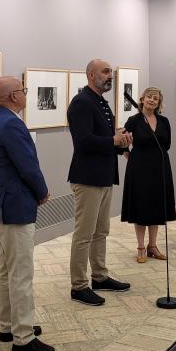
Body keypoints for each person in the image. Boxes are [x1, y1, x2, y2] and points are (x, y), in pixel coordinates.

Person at [0, 76, 55, 351]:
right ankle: (23, 337)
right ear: (13, 96)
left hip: (3, 206)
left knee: (7, 269)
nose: (26, 94)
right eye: (24, 90)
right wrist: (43, 191)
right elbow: (27, 166)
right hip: (15, 207)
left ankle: (7, 326)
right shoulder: (12, 124)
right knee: (21, 273)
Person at [67, 58, 132, 306]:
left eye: (111, 72)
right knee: (84, 234)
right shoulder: (82, 103)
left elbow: (104, 138)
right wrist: (114, 141)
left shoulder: (100, 102)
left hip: (104, 174)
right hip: (87, 176)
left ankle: (99, 276)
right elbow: (84, 142)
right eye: (105, 72)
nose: (110, 76)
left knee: (101, 231)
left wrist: (121, 141)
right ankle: (78, 286)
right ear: (91, 75)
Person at [121, 87, 176, 263]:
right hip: (139, 168)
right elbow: (122, 143)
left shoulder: (164, 121)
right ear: (142, 99)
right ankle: (140, 247)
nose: (152, 100)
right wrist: (130, 156)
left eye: (156, 98)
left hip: (160, 167)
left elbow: (166, 144)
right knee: (141, 206)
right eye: (149, 97)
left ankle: (153, 246)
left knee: (156, 205)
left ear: (159, 102)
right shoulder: (134, 120)